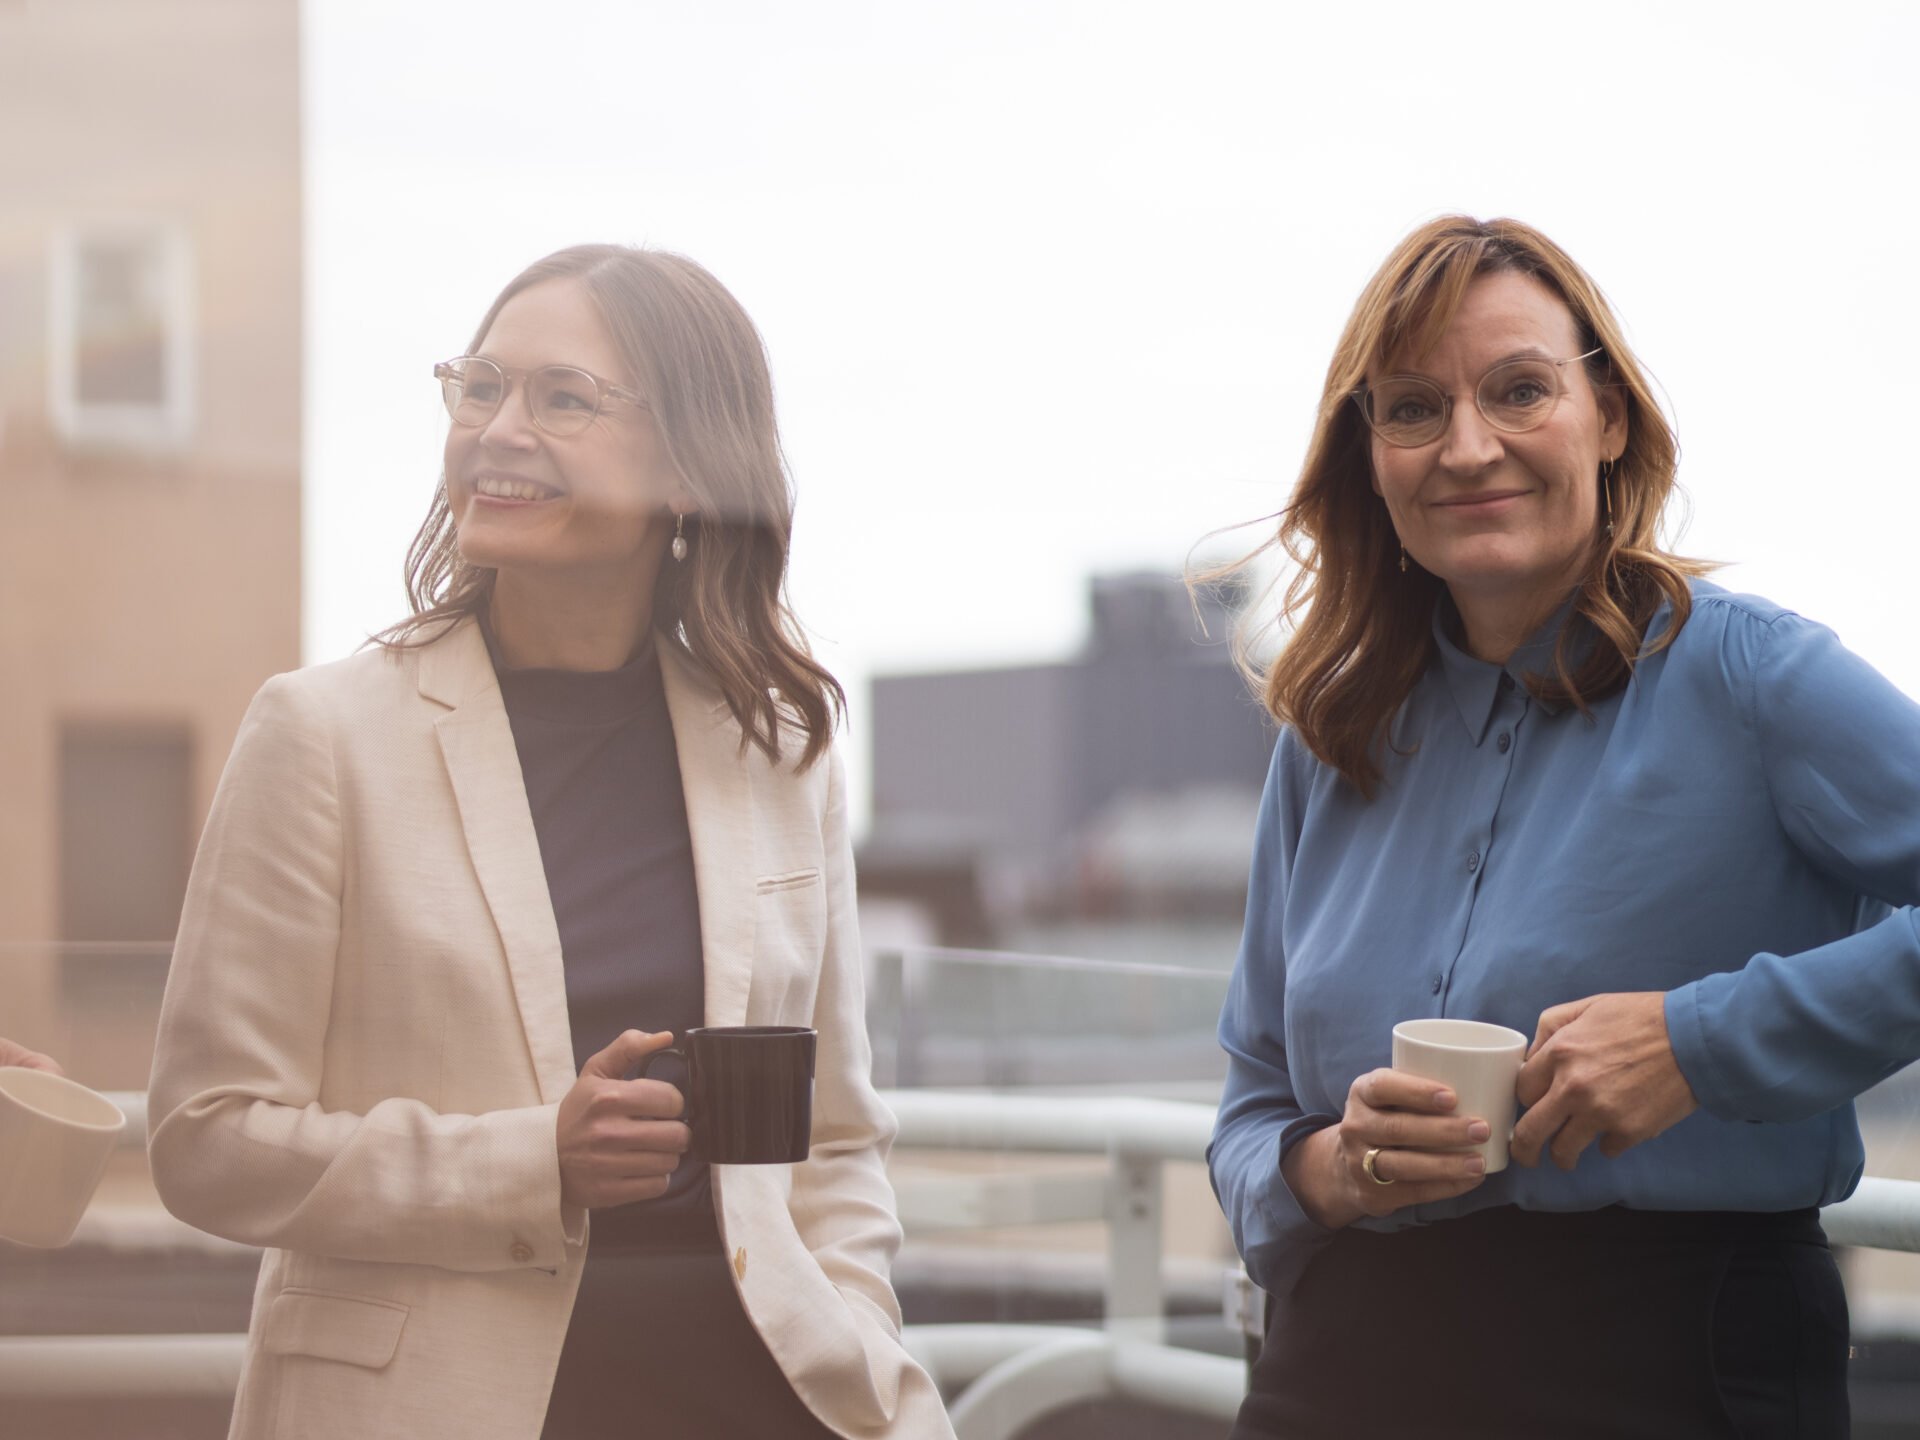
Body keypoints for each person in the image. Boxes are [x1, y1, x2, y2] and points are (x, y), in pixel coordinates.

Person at [147, 245, 953, 1440]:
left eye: (561, 399)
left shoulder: (778, 749)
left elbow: (834, 1138)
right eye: (480, 388)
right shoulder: (321, 734)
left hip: (759, 1399)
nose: (498, 430)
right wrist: (536, 1164)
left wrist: (857, 1330)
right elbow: (206, 1138)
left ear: (689, 470)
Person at [1207, 215, 1919, 1438]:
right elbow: (1251, 1101)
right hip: (1340, 1369)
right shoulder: (1332, 737)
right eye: (1414, 408)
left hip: (1673, 1363)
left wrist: (1699, 1043)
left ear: (1612, 417)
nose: (1468, 447)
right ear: (1369, 457)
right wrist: (1334, 1169)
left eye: (1520, 390)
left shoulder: (1755, 679)